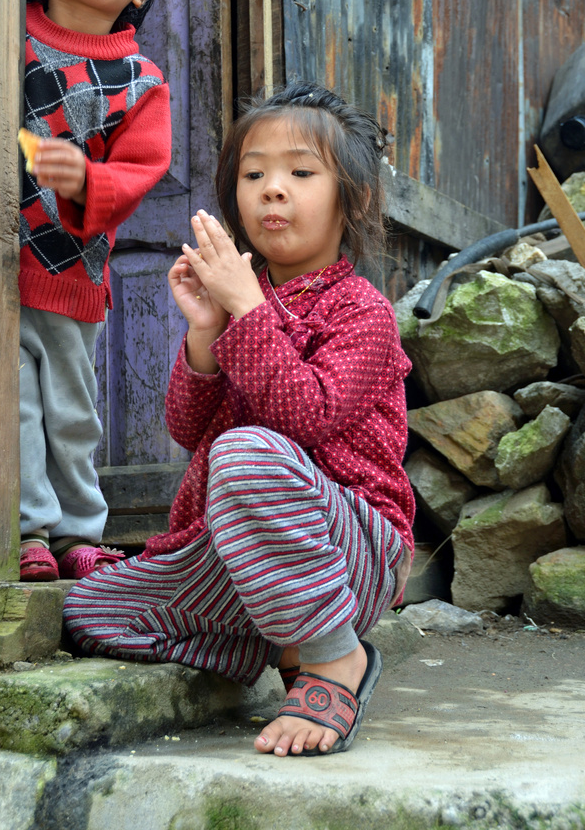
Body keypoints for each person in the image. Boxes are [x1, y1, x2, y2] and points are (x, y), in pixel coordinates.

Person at [63, 83, 414, 756]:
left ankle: (336, 656)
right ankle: (276, 634)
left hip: (348, 549)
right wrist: (204, 331)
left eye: (299, 173)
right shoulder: (239, 303)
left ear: (356, 198)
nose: (271, 190)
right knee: (90, 611)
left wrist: (247, 310)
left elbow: (302, 415)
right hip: (241, 555)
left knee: (248, 454)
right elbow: (188, 429)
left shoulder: (361, 312)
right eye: (253, 174)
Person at [18, 0, 171, 582]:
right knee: (12, 407)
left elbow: (141, 168)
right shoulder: (6, 44)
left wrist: (87, 181)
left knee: (70, 413)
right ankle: (27, 532)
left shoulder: (141, 81)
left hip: (72, 274)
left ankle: (81, 530)